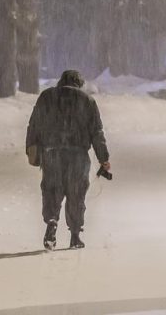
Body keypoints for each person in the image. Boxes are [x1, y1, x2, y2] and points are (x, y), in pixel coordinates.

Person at [25, 69, 110, 250]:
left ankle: (52, 222)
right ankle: (75, 236)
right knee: (76, 194)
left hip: (52, 154)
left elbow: (33, 124)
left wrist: (31, 148)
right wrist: (104, 158)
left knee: (52, 190)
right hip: (78, 156)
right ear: (79, 83)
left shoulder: (46, 97)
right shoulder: (87, 101)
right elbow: (97, 133)